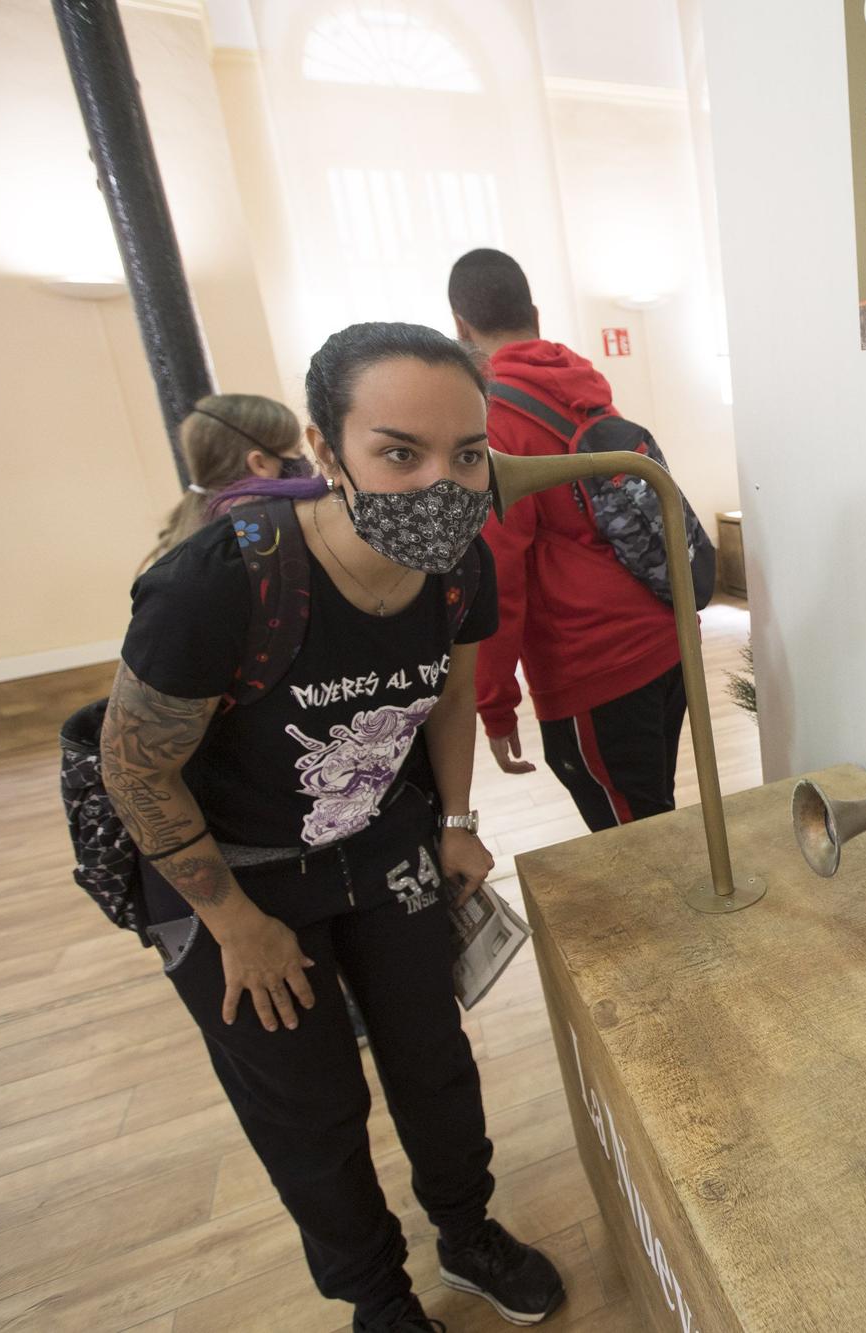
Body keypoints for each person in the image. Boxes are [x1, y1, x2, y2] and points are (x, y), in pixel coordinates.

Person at [101, 322, 564, 1332]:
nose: (442, 484)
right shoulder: (220, 582)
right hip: (239, 878)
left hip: (381, 847)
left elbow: (448, 690)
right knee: (309, 1108)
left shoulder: (456, 567)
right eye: (399, 451)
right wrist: (234, 924)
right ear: (325, 450)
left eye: (468, 453)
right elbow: (132, 772)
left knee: (431, 1057)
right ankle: (378, 1298)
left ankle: (468, 1233)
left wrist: (452, 819)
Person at [448, 248, 689, 830]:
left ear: (459, 326)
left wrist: (494, 704)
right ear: (533, 311)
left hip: (594, 663)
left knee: (635, 841)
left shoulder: (492, 416)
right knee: (651, 812)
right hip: (664, 636)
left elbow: (496, 572)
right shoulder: (579, 385)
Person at [141, 392, 311, 571]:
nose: (303, 459)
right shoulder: (267, 538)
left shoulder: (178, 542)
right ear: (259, 463)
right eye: (296, 451)